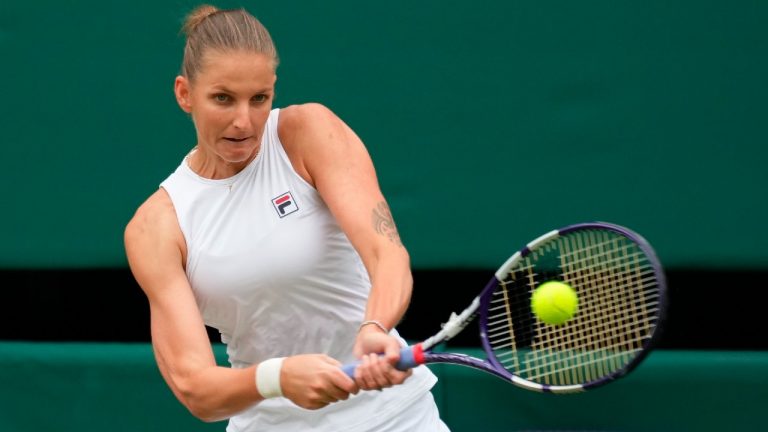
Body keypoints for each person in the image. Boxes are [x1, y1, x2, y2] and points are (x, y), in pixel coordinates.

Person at [124, 4, 450, 431]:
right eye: (223, 98)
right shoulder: (156, 227)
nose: (244, 121)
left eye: (259, 98)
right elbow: (195, 388)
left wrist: (374, 327)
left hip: (395, 420)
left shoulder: (309, 134)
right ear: (184, 93)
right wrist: (277, 378)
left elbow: (386, 254)